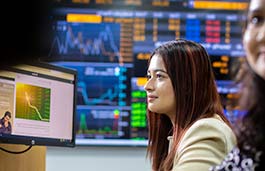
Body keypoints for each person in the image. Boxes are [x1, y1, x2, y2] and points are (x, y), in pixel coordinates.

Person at [144, 39, 237, 171]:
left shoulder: (206, 130)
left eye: (159, 76)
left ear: (187, 83)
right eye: (149, 76)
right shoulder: (177, 134)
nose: (147, 86)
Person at [210, 0, 265, 170]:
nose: (262, 35)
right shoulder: (255, 130)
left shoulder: (203, 131)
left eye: (160, 76)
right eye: (256, 19)